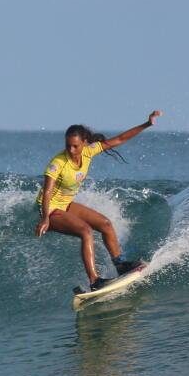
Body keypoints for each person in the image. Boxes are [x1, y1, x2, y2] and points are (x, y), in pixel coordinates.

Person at [36, 110, 162, 290]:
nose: (71, 150)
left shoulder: (89, 151)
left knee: (105, 223)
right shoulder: (58, 163)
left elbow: (119, 140)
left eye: (75, 146)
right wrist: (45, 219)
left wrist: (146, 124)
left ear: (84, 143)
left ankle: (120, 265)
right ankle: (94, 281)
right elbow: (47, 192)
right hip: (49, 208)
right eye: (68, 146)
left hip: (65, 204)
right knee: (86, 231)